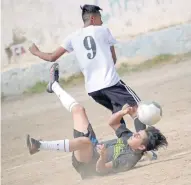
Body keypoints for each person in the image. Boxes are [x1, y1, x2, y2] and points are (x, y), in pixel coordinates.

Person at [29, 4, 156, 159]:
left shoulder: (72, 37)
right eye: (100, 18)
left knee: (118, 116)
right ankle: (144, 149)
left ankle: (127, 150)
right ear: (93, 18)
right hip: (111, 83)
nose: (102, 22)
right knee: (138, 111)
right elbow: (113, 59)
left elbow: (51, 57)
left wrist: (35, 51)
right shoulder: (103, 30)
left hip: (93, 90)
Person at [27, 63, 168, 179]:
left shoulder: (129, 159)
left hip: (88, 166)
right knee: (79, 110)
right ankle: (54, 86)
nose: (135, 133)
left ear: (142, 147)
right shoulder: (128, 137)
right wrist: (123, 112)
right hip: (91, 147)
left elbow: (101, 170)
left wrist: (102, 156)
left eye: (138, 135)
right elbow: (112, 123)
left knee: (86, 142)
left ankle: (39, 145)